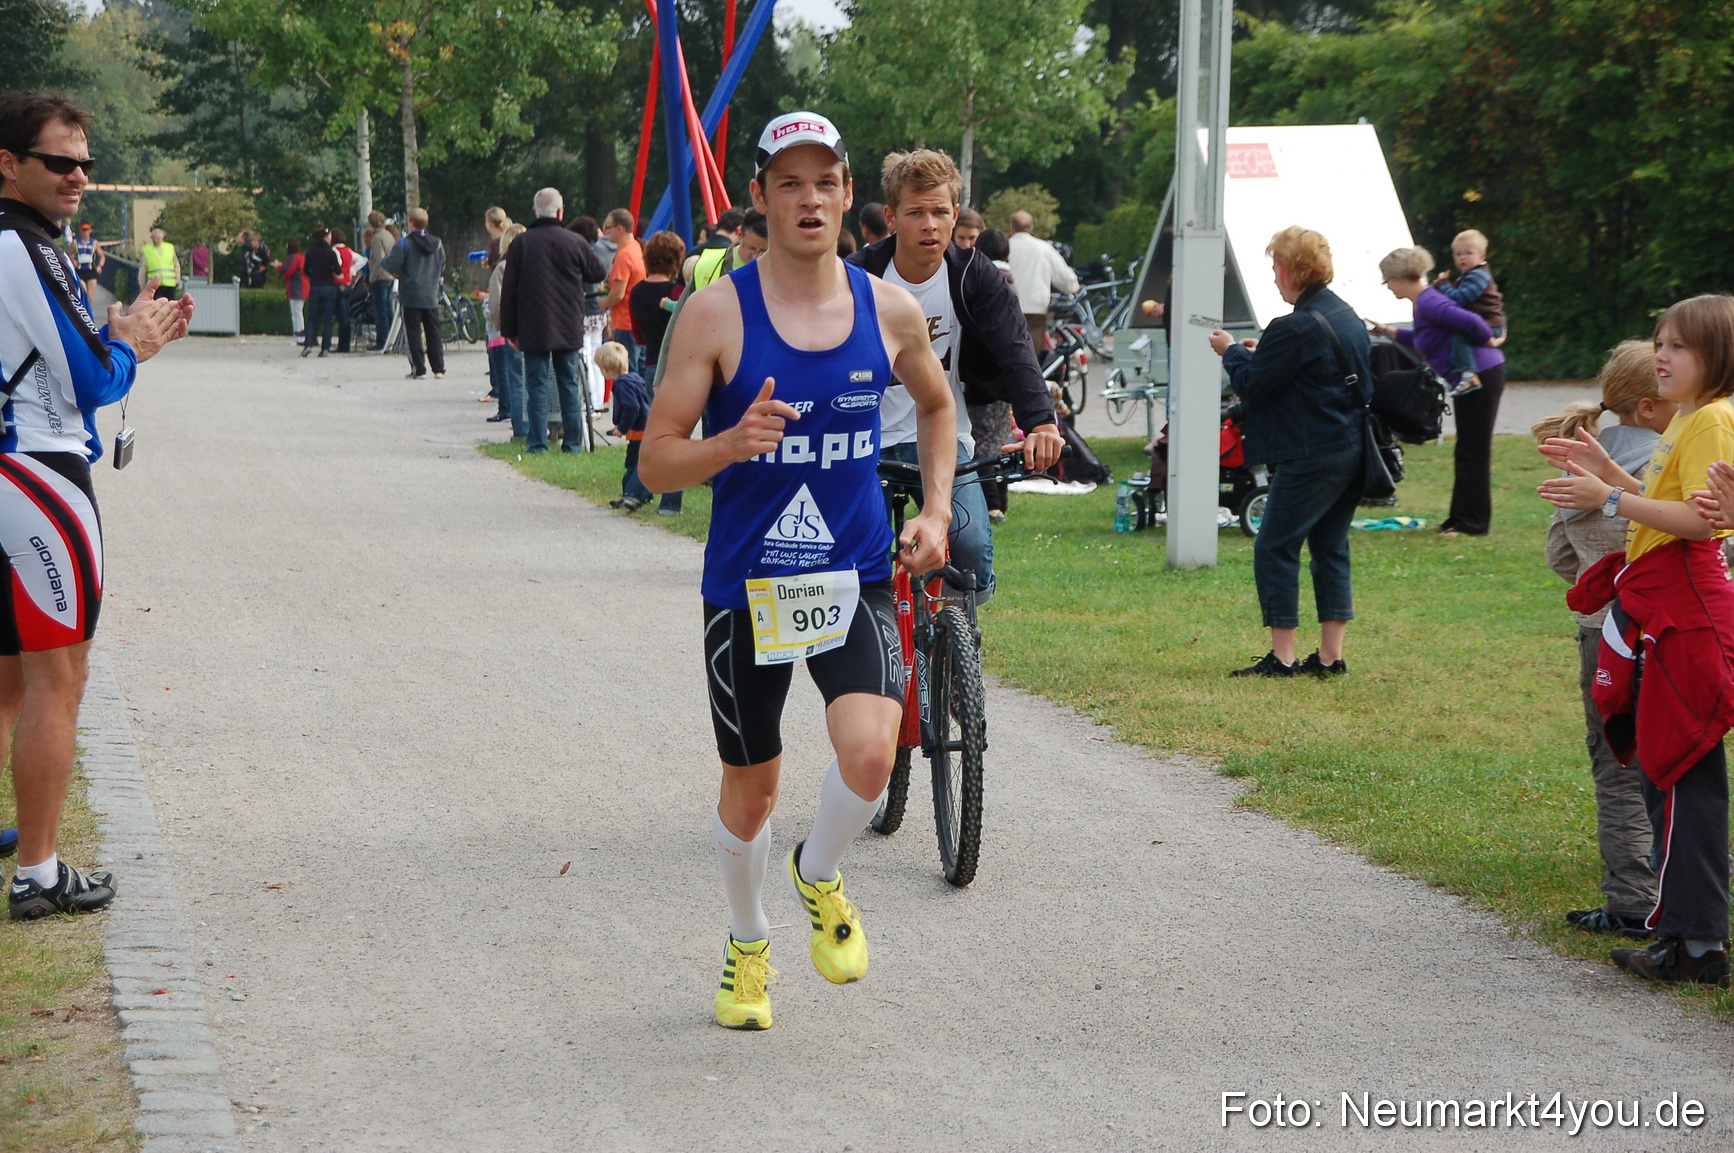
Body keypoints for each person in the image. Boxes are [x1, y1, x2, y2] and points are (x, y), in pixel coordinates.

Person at [638, 110, 956, 1031]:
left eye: (825, 182)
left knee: (872, 748)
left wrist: (934, 512)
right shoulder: (714, 312)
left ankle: (817, 871)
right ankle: (747, 943)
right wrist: (729, 443)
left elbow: (938, 411)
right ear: (762, 197)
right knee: (755, 785)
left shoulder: (888, 308)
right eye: (790, 182)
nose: (809, 198)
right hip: (748, 590)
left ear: (850, 195)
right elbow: (655, 459)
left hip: (851, 573)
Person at [0, 90, 193, 920]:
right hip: (39, 475)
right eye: (59, 161)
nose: (78, 176)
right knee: (58, 675)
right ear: (9, 164)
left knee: (10, 674)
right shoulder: (28, 248)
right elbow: (93, 379)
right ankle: (38, 872)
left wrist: (112, 334)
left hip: (15, 469)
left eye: (85, 162)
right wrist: (131, 341)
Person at [1540, 294, 1734, 988]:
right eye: (1659, 341)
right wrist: (1609, 476)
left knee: (1683, 771)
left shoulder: (1712, 417)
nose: (1661, 354)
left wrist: (1610, 498)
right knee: (1664, 768)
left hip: (1687, 605)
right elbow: (1665, 506)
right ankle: (1685, 932)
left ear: (1715, 352)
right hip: (1663, 602)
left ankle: (1698, 941)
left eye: (1678, 345)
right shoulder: (1688, 418)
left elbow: (1698, 523)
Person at [848, 149, 1062, 599]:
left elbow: (1016, 350)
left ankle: (960, 647)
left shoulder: (976, 278)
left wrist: (1042, 422)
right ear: (891, 217)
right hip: (866, 440)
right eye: (915, 212)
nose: (929, 225)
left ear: (954, 216)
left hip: (946, 438)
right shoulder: (857, 277)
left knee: (970, 548)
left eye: (940, 212)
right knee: (858, 558)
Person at [1532, 341, 1673, 940]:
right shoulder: (1671, 465)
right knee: (1682, 760)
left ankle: (1631, 896)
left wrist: (1602, 577)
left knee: (1618, 763)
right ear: (1650, 406)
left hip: (1606, 636)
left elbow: (1560, 556)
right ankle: (1683, 877)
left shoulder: (1581, 465)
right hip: (1674, 631)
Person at [1209, 226, 1370, 678]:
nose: (1275, 277)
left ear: (1294, 270)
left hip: (1310, 451)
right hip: (1350, 447)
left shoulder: (1293, 325)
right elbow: (1318, 373)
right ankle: (1329, 657)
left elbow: (1254, 385)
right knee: (1330, 545)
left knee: (1275, 544)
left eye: (1277, 266)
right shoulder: (1344, 314)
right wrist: (1264, 354)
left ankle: (1281, 659)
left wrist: (1230, 353)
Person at [1377, 245, 1506, 535]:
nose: (1388, 287)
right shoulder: (1424, 303)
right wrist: (1388, 330)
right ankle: (1458, 519)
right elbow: (1425, 337)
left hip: (1482, 375)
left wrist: (1488, 340)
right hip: (1471, 377)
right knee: (1466, 450)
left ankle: (1473, 523)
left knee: (1474, 451)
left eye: (1387, 281)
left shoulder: (1430, 301)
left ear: (1399, 277)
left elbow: (1472, 322)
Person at [500, 187, 605, 453]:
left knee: (535, 385)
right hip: (567, 323)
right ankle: (572, 443)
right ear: (560, 211)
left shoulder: (521, 244)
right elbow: (597, 272)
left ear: (535, 211)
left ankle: (537, 442)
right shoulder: (574, 241)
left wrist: (510, 329)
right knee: (569, 383)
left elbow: (509, 290)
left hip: (532, 325)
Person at [628, 230, 687, 515]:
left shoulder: (637, 292)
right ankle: (671, 502)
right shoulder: (676, 292)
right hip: (679, 367)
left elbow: (638, 336)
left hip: (651, 365)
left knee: (656, 435)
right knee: (677, 438)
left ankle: (638, 489)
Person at [966, 226, 1014, 522]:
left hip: (978, 375)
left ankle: (992, 506)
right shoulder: (1011, 279)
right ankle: (1002, 499)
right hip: (1003, 375)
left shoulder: (978, 280)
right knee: (1001, 442)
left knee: (979, 446)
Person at [1433, 228, 1506, 396]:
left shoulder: (1478, 275)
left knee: (1460, 338)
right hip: (1484, 322)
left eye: (1468, 253)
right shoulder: (1469, 275)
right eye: (1458, 254)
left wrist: (1443, 285)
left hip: (1490, 324)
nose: (1462, 257)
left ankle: (1468, 374)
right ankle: (1460, 372)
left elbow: (1461, 298)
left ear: (1482, 256)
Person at [380, 207, 446, 379]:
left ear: (410, 223)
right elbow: (442, 265)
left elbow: (391, 265)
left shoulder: (404, 243)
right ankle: (438, 368)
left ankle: (419, 368)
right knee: (434, 331)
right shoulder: (437, 243)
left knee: (413, 333)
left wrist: (386, 262)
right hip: (431, 293)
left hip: (410, 294)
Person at [1006, 210, 1077, 353]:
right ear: (1031, 227)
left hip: (1008, 311)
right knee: (1032, 354)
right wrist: (1072, 287)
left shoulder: (1005, 247)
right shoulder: (1044, 248)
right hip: (1036, 311)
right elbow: (1068, 281)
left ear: (1011, 228)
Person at [597, 341, 652, 511]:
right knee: (636, 462)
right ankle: (640, 495)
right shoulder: (635, 378)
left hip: (638, 431)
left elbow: (632, 407)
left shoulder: (621, 385)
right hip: (646, 428)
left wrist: (622, 428)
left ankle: (631, 495)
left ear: (605, 369)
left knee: (633, 464)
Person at [485, 222, 527, 435]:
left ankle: (520, 429)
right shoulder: (535, 265)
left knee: (516, 380)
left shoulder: (503, 268)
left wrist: (504, 327)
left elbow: (496, 304)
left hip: (514, 332)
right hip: (535, 328)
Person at [601, 208, 646, 372]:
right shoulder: (637, 248)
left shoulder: (624, 255)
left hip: (625, 321)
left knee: (626, 371)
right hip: (638, 319)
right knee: (640, 371)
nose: (606, 232)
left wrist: (603, 303)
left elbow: (618, 294)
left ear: (619, 229)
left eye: (609, 227)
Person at [300, 226, 341, 358]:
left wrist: (314, 275)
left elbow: (305, 270)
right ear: (325, 237)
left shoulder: (311, 252)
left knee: (312, 318)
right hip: (329, 286)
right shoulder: (331, 252)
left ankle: (308, 344)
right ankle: (325, 348)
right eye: (329, 236)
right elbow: (338, 271)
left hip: (315, 286)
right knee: (327, 319)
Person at [364, 211, 398, 351]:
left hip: (380, 276)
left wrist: (373, 276)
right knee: (389, 308)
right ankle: (392, 338)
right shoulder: (389, 235)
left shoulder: (377, 238)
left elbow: (379, 259)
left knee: (380, 310)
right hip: (390, 275)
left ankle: (382, 341)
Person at [330, 227, 358, 353]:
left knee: (341, 316)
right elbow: (362, 260)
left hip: (339, 284)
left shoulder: (335, 250)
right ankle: (345, 344)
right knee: (346, 314)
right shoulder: (348, 250)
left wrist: (338, 275)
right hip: (348, 283)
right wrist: (352, 270)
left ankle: (343, 345)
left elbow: (337, 264)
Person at [277, 236, 307, 344]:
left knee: (296, 314)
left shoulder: (293, 258)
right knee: (298, 313)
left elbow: (288, 271)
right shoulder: (301, 257)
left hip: (296, 288)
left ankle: (299, 337)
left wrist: (279, 267)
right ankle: (300, 336)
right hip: (301, 287)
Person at [139, 226, 181, 301]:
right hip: (155, 285)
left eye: (158, 238)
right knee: (157, 306)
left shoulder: (169, 248)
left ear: (162, 238)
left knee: (170, 306)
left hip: (170, 284)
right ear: (151, 238)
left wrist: (177, 279)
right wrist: (142, 285)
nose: (156, 240)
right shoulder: (147, 251)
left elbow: (176, 265)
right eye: (155, 238)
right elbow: (143, 269)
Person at [72, 219, 102, 290]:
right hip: (79, 270)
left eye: (87, 230)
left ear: (90, 230)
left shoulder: (94, 242)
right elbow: (68, 254)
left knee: (90, 298)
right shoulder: (75, 242)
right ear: (80, 230)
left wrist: (100, 266)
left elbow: (102, 256)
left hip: (91, 271)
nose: (85, 232)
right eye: (83, 230)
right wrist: (73, 260)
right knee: (84, 293)